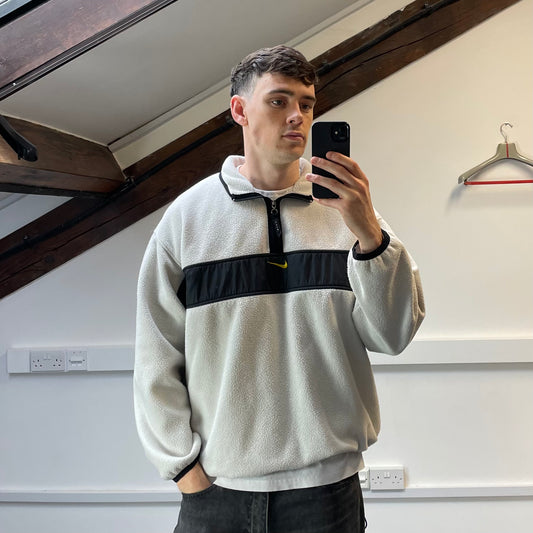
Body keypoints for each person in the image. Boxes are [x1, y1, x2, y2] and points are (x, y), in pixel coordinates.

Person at [134, 45, 425, 533]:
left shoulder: (352, 214)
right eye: (278, 101)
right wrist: (183, 469)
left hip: (327, 492)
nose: (297, 116)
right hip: (218, 493)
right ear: (239, 110)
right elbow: (155, 354)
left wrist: (370, 235)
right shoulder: (186, 220)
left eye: (306, 104)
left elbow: (393, 335)